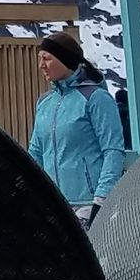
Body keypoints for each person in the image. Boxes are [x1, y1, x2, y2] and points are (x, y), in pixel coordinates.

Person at [29, 29, 129, 206]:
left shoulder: (97, 98)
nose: (41, 65)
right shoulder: (44, 102)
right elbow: (35, 153)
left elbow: (113, 149)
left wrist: (102, 197)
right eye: (40, 58)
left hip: (89, 202)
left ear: (64, 60)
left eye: (47, 58)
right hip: (54, 205)